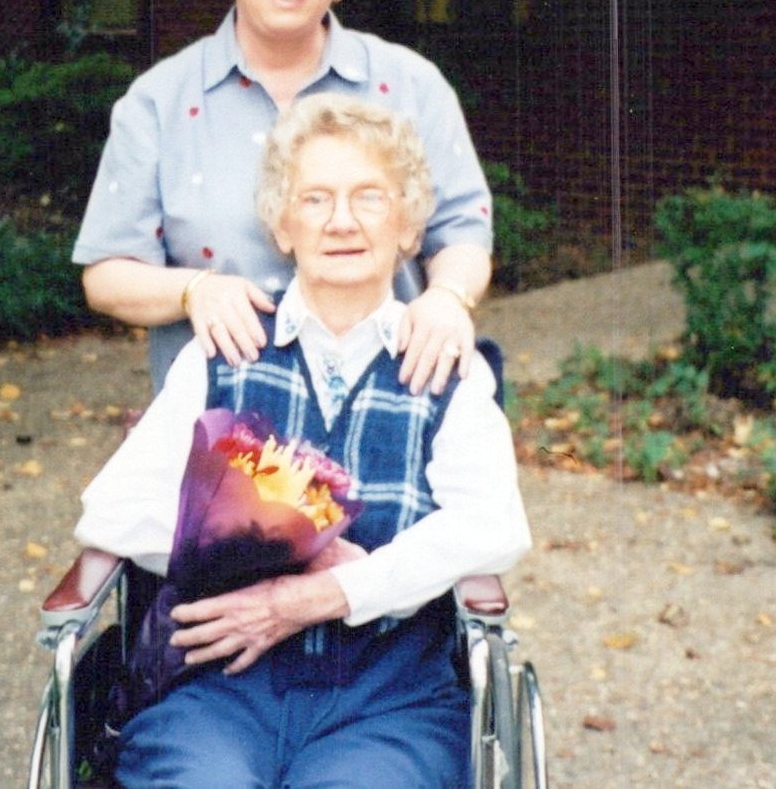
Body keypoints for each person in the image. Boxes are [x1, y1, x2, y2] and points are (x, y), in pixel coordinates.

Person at [74, 93, 532, 788]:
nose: (342, 221)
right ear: (282, 225)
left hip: (389, 702)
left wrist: (336, 591)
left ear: (409, 225)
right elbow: (112, 512)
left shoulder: (445, 366)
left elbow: (492, 527)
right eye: (315, 199)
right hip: (218, 688)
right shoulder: (226, 350)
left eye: (369, 197)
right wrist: (289, 546)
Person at [72, 0, 494, 397]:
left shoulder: (412, 86)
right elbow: (106, 274)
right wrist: (193, 290)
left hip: (390, 407)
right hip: (219, 422)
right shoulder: (158, 102)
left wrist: (448, 298)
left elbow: (464, 230)